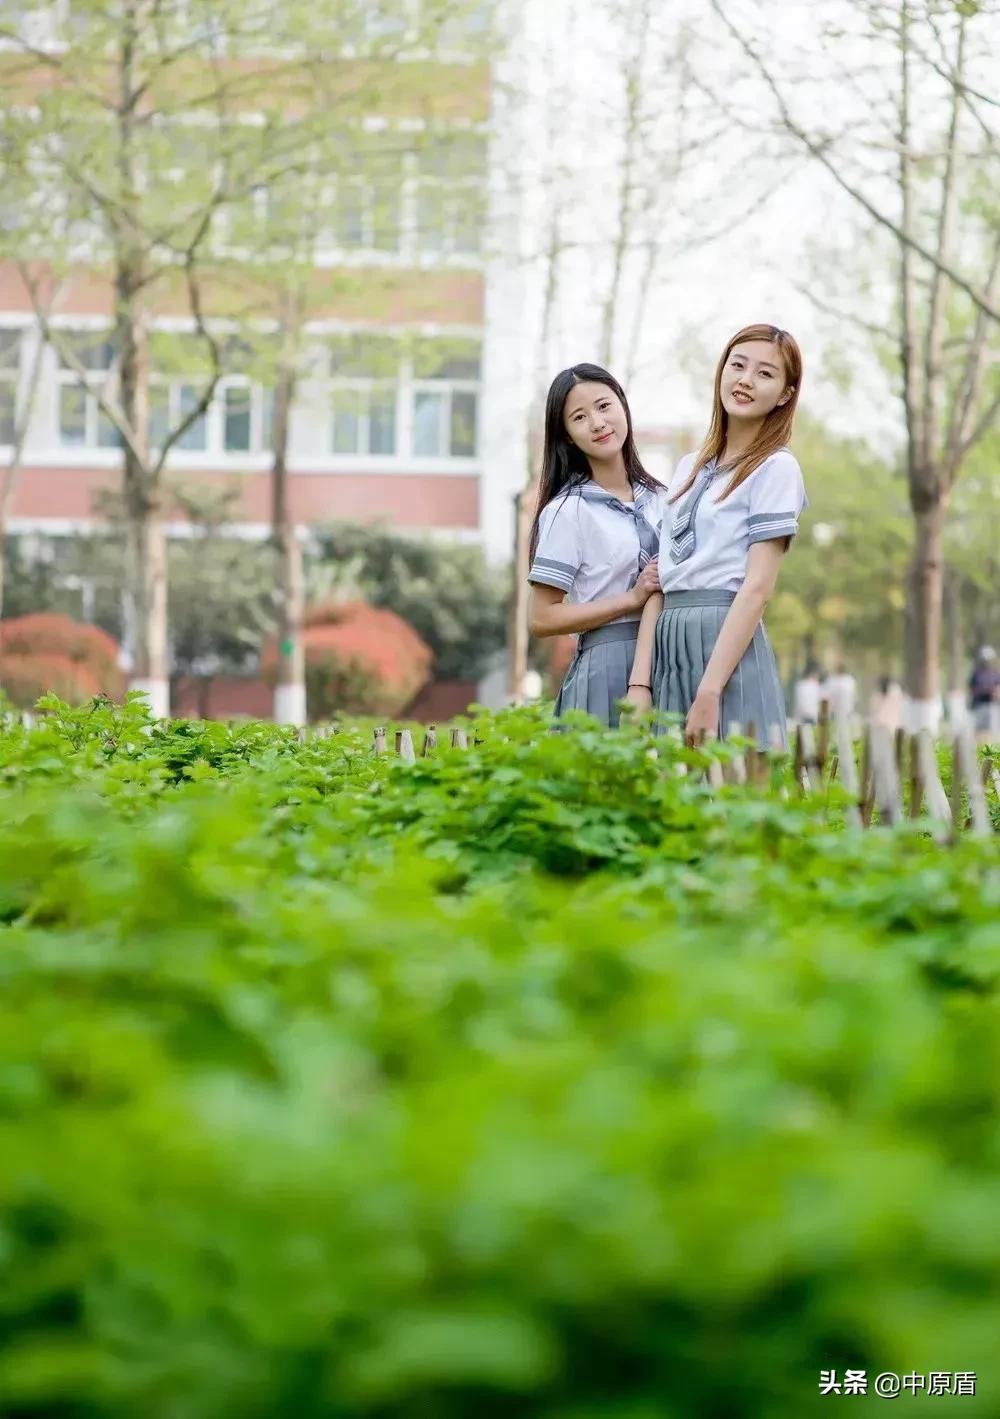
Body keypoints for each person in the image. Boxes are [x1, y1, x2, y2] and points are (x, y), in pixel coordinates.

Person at [626, 323, 807, 748]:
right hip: (670, 642)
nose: (745, 380)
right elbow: (661, 577)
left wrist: (710, 692)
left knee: (734, 792)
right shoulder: (688, 466)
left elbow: (757, 588)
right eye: (737, 365)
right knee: (675, 800)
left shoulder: (776, 468)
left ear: (784, 393)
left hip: (725, 643)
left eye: (765, 373)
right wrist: (640, 683)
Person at [528, 363, 663, 727]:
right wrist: (630, 600)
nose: (598, 423)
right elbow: (541, 617)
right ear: (568, 435)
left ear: (623, 406)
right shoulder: (568, 511)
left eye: (604, 407)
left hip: (671, 657)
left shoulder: (665, 499)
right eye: (580, 417)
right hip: (609, 663)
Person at [969, 646, 1000, 740]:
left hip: (991, 705)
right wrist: (981, 690)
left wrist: (995, 693)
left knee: (992, 730)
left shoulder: (995, 674)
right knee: (978, 731)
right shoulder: (976, 674)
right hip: (978, 705)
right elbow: (972, 688)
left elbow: (998, 689)